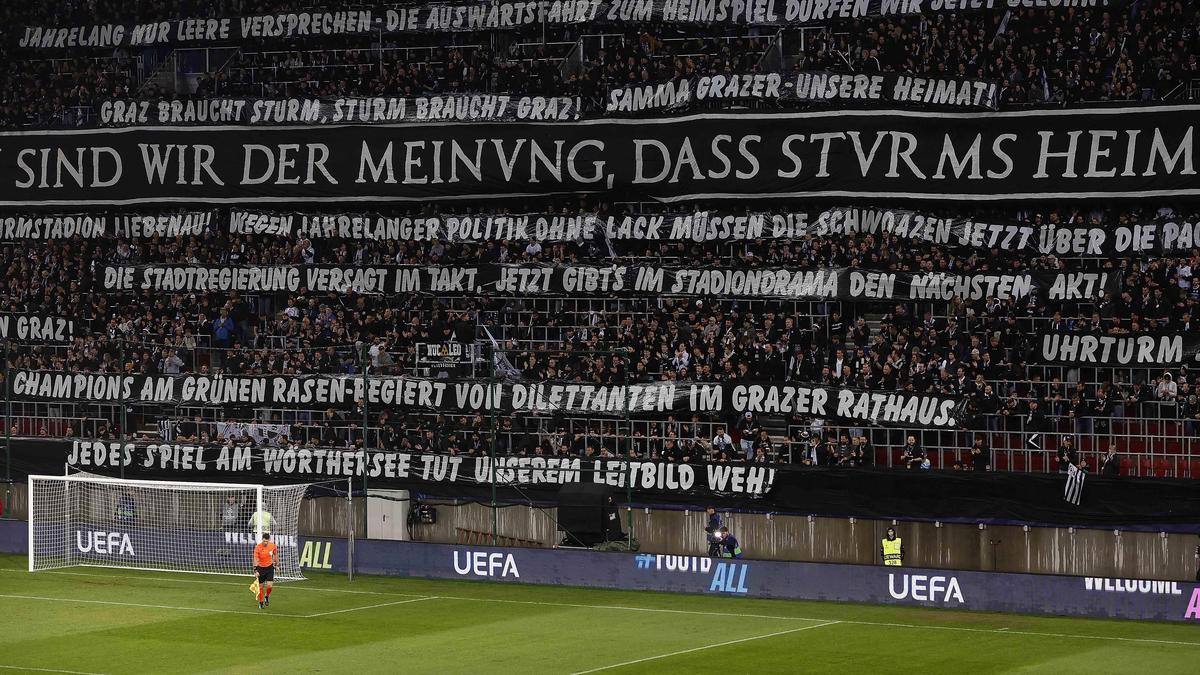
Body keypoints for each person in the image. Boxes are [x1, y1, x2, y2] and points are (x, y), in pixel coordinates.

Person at [253, 533, 278, 609]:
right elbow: (255, 559)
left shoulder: (273, 546)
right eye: (264, 541)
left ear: (269, 540)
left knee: (269, 586)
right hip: (260, 568)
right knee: (260, 587)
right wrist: (255, 570)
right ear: (262, 540)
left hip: (270, 568)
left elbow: (275, 555)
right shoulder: (258, 547)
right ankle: (261, 603)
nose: (265, 543)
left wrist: (277, 566)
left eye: (266, 541)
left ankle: (267, 596)